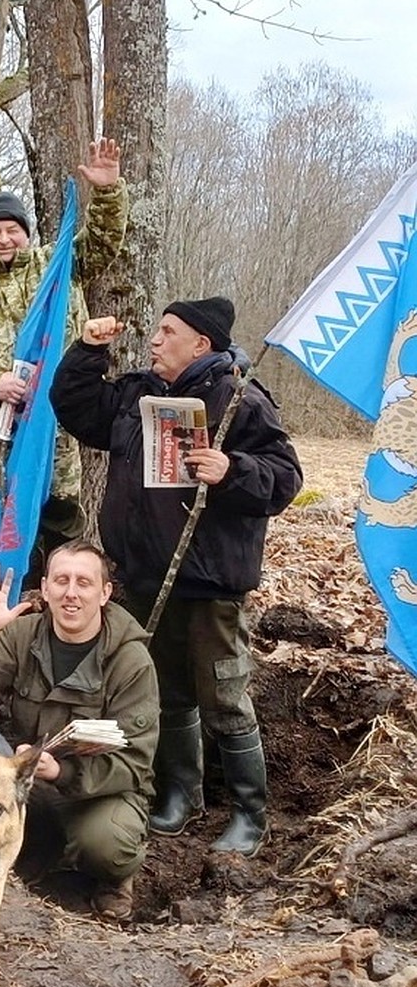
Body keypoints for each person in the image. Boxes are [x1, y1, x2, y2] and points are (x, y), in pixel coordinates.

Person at [50, 300, 303, 856]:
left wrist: (232, 470)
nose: (156, 340)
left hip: (210, 583)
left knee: (224, 695)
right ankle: (180, 796)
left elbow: (285, 479)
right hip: (143, 575)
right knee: (165, 691)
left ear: (201, 345)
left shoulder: (239, 400)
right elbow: (73, 406)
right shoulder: (139, 393)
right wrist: (88, 351)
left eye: (169, 332)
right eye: (159, 330)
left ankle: (248, 814)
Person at [0, 139, 128, 570]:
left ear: (25, 234)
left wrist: (108, 192)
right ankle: (5, 628)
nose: (3, 239)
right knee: (7, 549)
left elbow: (103, 243)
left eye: (12, 230)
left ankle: (60, 625)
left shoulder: (55, 267)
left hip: (57, 444)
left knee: (61, 544)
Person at [0, 544, 158, 921]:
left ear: (105, 593)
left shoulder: (131, 660)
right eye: (61, 580)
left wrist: (63, 772)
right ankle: (44, 864)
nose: (71, 592)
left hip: (100, 793)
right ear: (44, 588)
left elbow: (136, 762)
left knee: (108, 846)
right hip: (27, 785)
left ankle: (111, 881)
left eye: (84, 583)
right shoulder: (22, 635)